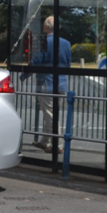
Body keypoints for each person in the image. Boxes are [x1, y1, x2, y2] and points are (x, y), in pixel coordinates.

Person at [29, 16, 71, 153]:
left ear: (47, 27)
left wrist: (24, 74)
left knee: (50, 115)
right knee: (53, 113)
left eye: (43, 26)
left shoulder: (43, 41)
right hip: (61, 83)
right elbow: (68, 63)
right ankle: (45, 142)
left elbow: (36, 61)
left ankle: (57, 144)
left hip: (47, 82)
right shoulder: (67, 43)